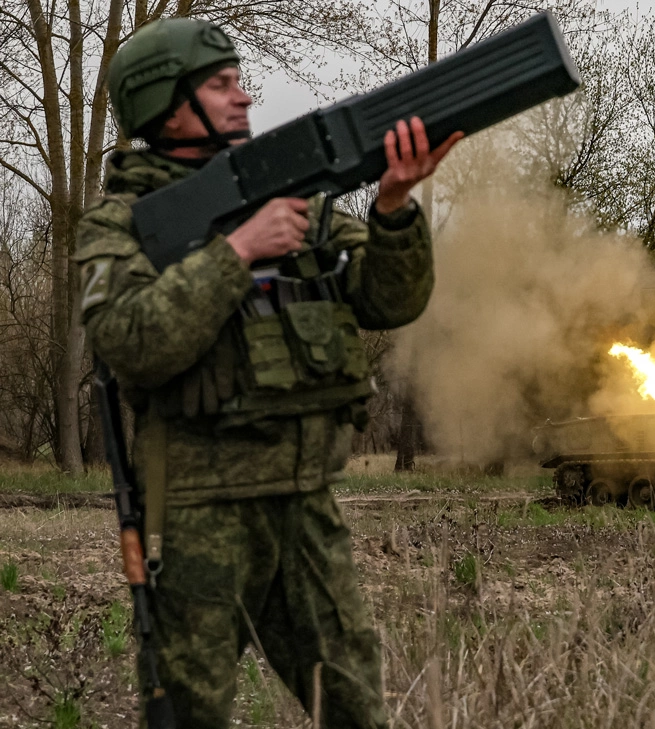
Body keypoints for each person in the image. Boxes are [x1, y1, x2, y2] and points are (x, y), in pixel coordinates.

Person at [75, 17, 461, 729]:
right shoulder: (121, 224)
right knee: (194, 713)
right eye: (221, 85)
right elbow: (131, 339)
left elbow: (389, 298)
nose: (245, 98)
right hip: (198, 517)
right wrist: (237, 252)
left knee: (356, 706)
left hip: (305, 506)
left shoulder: (294, 202)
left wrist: (394, 206)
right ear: (165, 101)